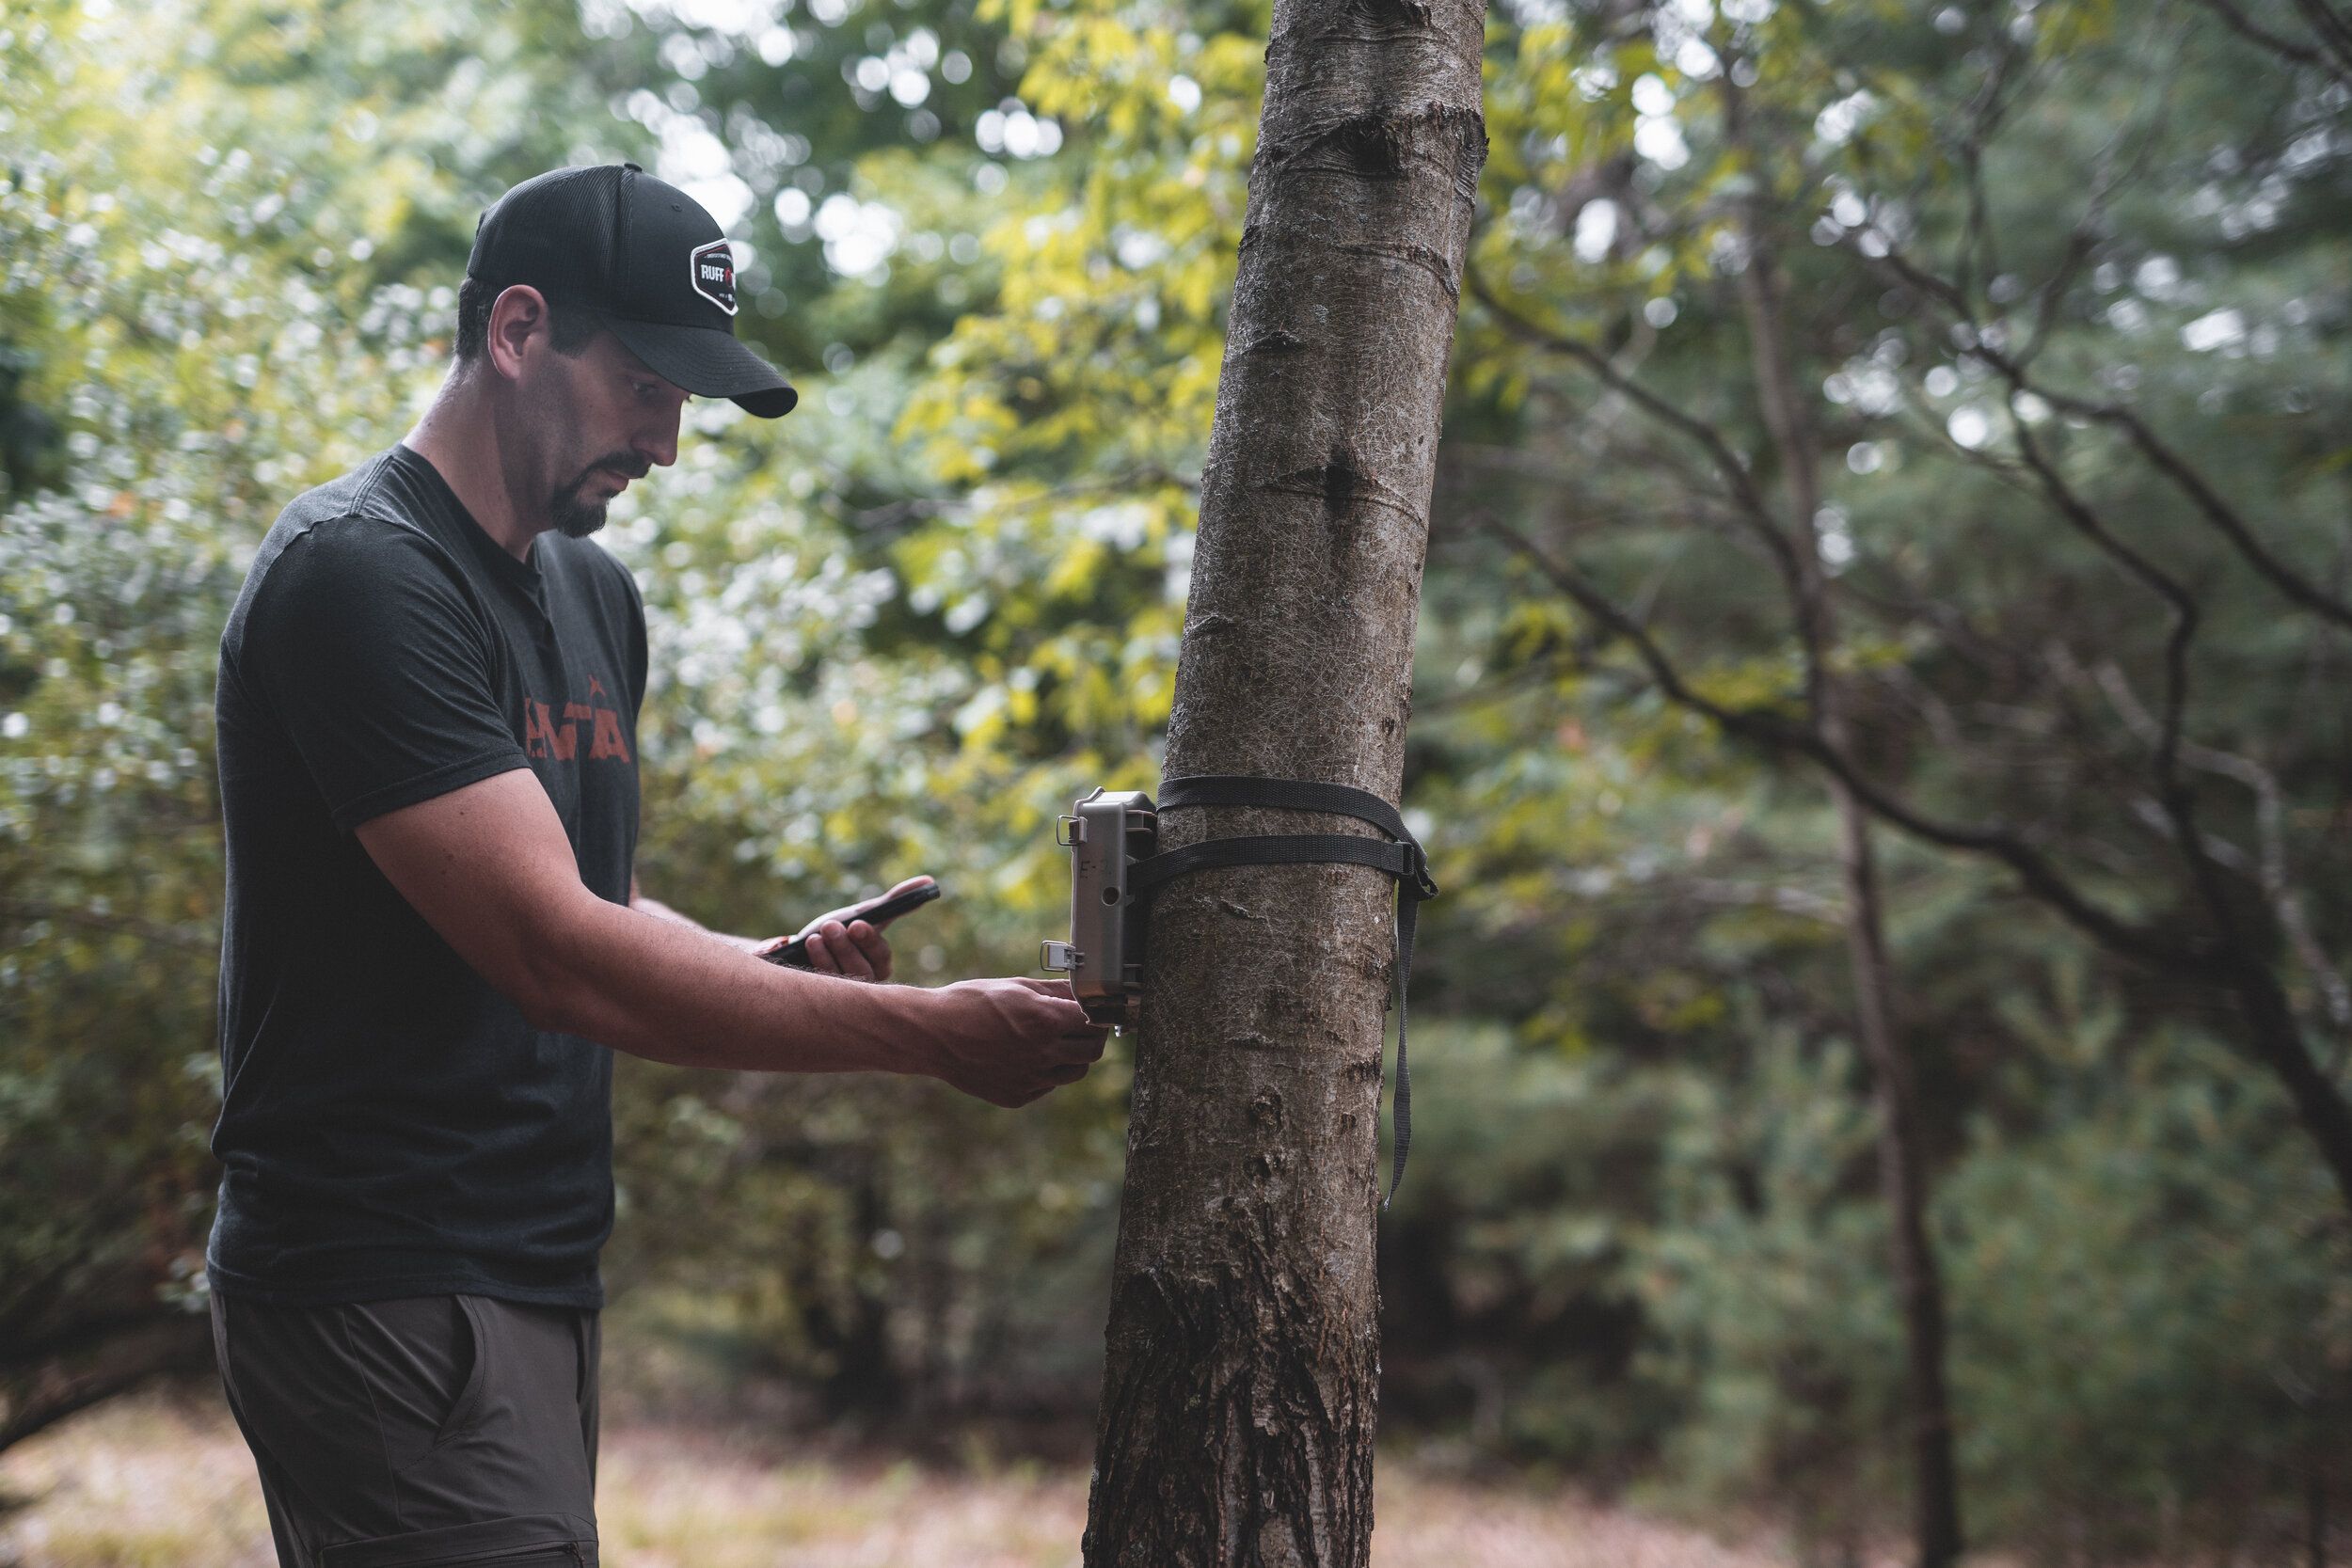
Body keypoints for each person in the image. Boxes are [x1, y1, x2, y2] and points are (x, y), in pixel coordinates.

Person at [204, 163, 1107, 1568]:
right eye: (645, 386)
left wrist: (755, 966)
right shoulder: (361, 574)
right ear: (517, 332)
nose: (669, 443)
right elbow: (555, 957)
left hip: (537, 1265)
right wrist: (922, 1037)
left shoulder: (588, 591)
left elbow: (587, 898)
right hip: (382, 1271)